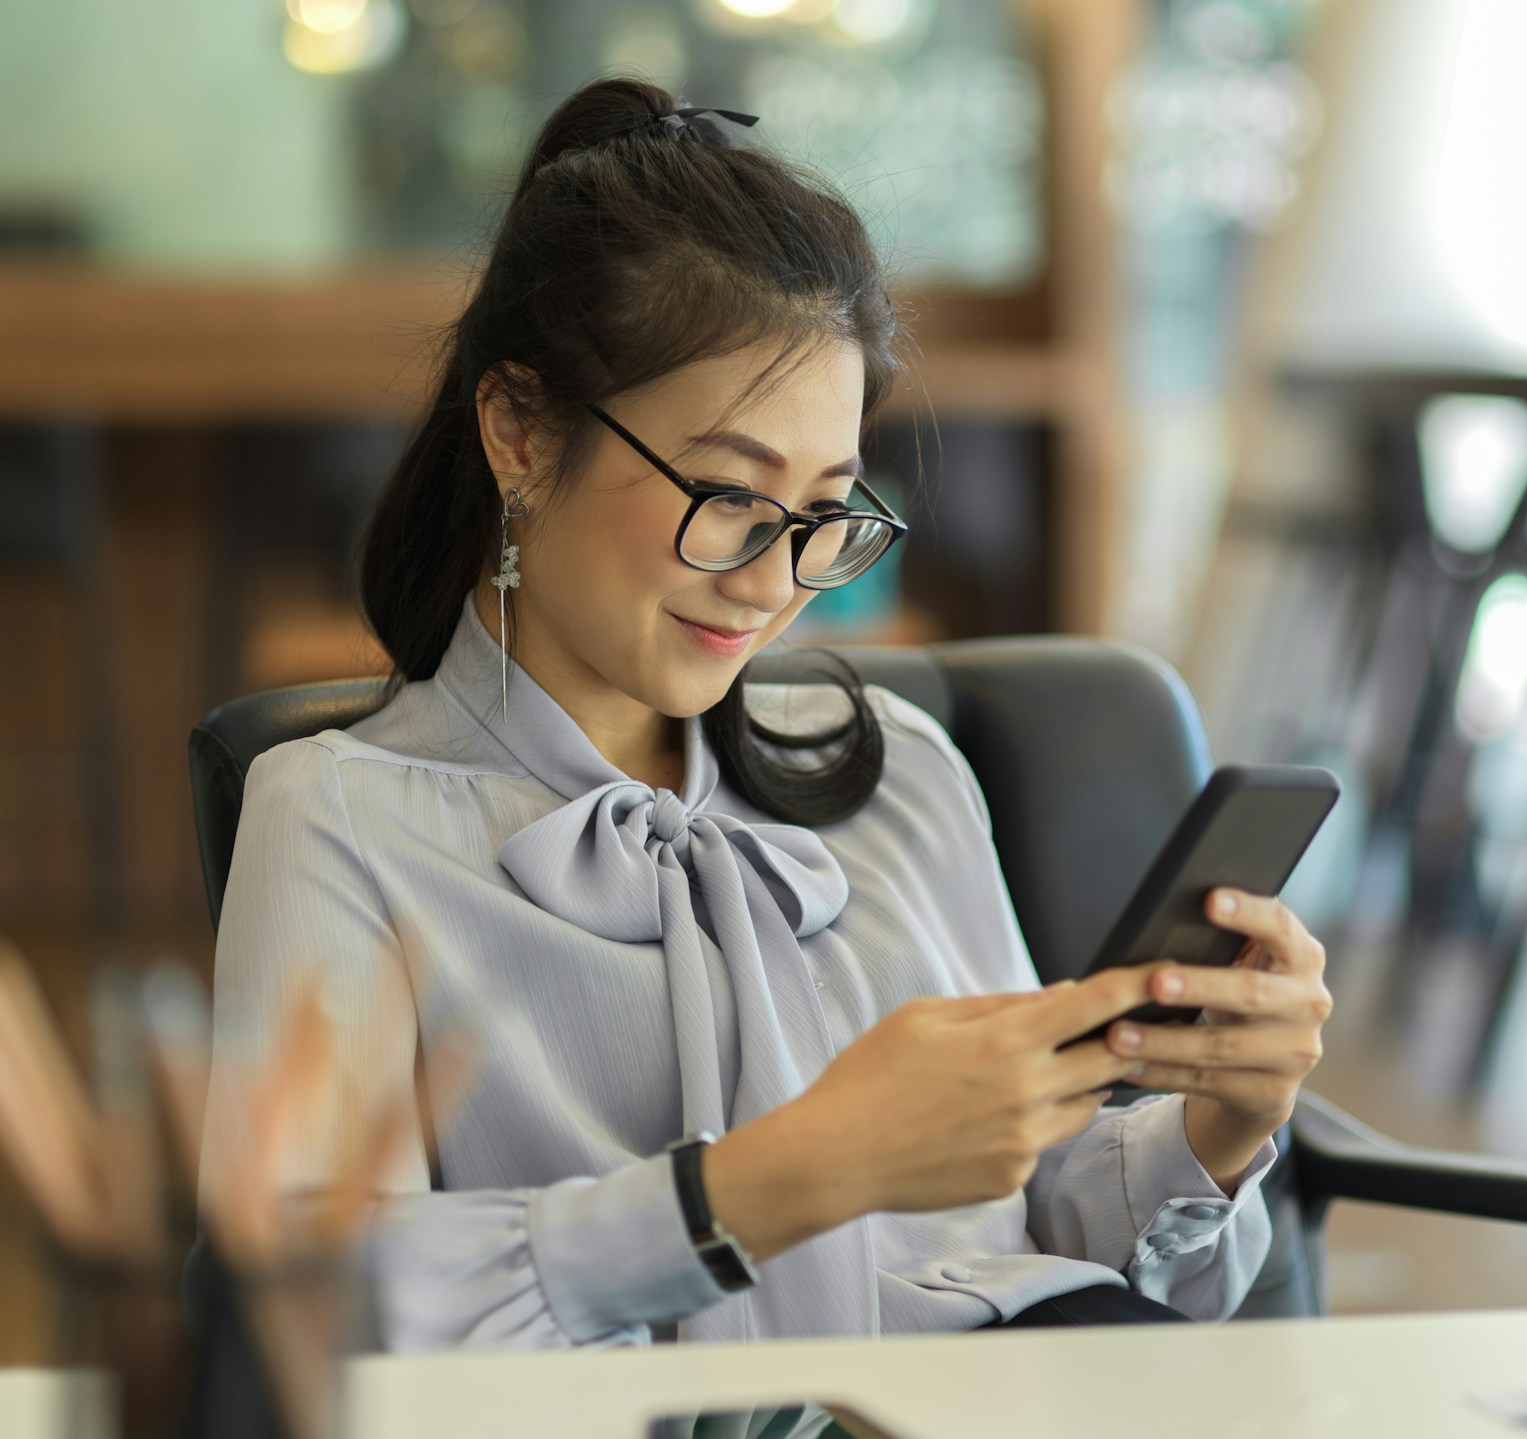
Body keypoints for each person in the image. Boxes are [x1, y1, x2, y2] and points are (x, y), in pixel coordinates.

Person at [202, 76, 1333, 1351]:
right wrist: (794, 1172)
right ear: (518, 428)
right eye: (729, 494)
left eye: (825, 513)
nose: (773, 579)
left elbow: (1044, 1227)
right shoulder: (340, 823)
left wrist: (1215, 1120)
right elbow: (309, 1309)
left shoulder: (906, 777)